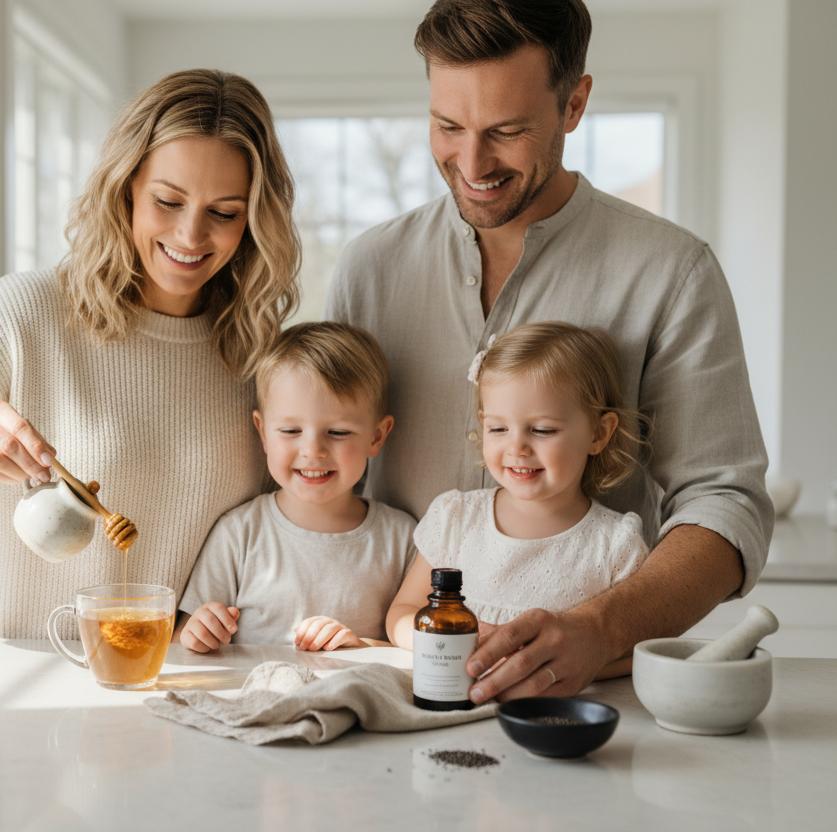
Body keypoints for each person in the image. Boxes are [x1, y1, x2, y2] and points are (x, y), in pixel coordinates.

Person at [325, 0, 773, 703]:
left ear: (575, 104)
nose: (471, 163)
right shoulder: (369, 268)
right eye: (447, 126)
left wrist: (602, 626)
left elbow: (724, 501)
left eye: (506, 131)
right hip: (388, 684)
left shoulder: (670, 271)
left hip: (585, 701)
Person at [0, 69, 301, 640]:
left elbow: (290, 541)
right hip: (12, 699)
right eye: (167, 201)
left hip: (185, 699)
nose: (191, 234)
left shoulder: (257, 357)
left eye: (224, 212)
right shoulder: (22, 317)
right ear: (126, 186)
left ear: (253, 218)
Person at [386, 322, 650, 680]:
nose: (516, 448)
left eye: (542, 430)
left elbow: (644, 652)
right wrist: (449, 642)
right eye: (498, 429)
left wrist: (556, 666)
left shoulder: (616, 545)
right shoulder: (456, 518)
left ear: (599, 433)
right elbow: (402, 613)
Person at [175, 322, 417, 652]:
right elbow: (183, 639)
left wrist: (361, 646)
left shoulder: (403, 538)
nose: (312, 450)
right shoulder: (239, 533)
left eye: (338, 432)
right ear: (263, 432)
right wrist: (197, 632)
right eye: (290, 431)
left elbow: (419, 654)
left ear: (376, 436)